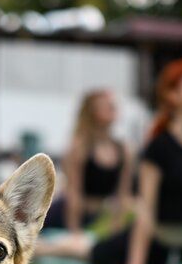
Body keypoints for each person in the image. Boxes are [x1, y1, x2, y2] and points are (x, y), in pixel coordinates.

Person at [36, 58, 182, 264]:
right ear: (172, 95)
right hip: (147, 242)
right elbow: (146, 208)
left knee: (88, 245)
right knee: (84, 251)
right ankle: (36, 249)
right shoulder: (159, 146)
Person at [43, 89, 134, 233]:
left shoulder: (124, 150)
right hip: (66, 216)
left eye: (113, 105)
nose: (112, 108)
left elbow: (123, 195)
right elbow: (73, 193)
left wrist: (117, 226)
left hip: (98, 216)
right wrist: (74, 231)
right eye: (105, 105)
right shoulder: (80, 148)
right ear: (92, 112)